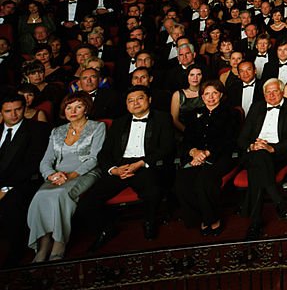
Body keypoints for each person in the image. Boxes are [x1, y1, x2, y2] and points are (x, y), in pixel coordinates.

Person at [83, 86, 176, 250]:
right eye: (130, 100)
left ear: (149, 100)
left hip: (145, 164)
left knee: (153, 190)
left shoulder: (163, 118)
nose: (135, 103)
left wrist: (141, 163)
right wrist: (114, 169)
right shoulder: (119, 122)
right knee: (89, 200)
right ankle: (106, 228)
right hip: (121, 166)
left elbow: (167, 147)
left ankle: (149, 222)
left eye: (140, 98)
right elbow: (104, 153)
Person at [27, 93, 106, 261]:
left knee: (60, 195)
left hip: (85, 172)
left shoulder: (97, 127)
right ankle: (44, 243)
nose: (73, 111)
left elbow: (94, 158)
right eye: (69, 107)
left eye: (78, 106)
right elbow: (46, 160)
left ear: (86, 108)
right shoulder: (57, 131)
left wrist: (71, 175)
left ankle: (59, 242)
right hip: (58, 175)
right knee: (40, 196)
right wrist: (51, 175)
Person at [237, 78, 287, 238]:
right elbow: (242, 138)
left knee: (257, 168)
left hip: (277, 153)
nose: (271, 95)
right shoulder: (256, 107)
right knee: (259, 157)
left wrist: (272, 148)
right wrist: (252, 146)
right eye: (268, 92)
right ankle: (278, 201)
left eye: (275, 91)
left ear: (282, 92)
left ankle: (255, 222)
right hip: (255, 150)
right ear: (263, 94)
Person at [175, 80, 238, 236]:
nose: (211, 97)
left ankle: (212, 218)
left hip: (221, 156)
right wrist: (194, 152)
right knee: (182, 180)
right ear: (202, 97)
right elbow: (187, 139)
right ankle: (200, 216)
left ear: (221, 95)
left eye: (214, 93)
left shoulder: (231, 113)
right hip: (196, 156)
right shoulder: (193, 114)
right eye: (207, 94)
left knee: (204, 179)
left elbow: (229, 140)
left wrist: (207, 153)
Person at [0, 93, 50, 266]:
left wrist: (5, 188)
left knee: (11, 203)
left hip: (26, 182)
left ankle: (16, 252)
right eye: (8, 111)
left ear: (24, 108)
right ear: (1, 112)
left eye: (18, 109)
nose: (13, 115)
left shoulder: (38, 129)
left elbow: (32, 165)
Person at [170, 65, 205, 131]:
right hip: (183, 132)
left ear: (202, 76)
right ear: (187, 76)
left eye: (198, 75)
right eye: (192, 75)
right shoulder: (177, 94)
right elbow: (174, 119)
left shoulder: (207, 92)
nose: (195, 78)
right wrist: (187, 132)